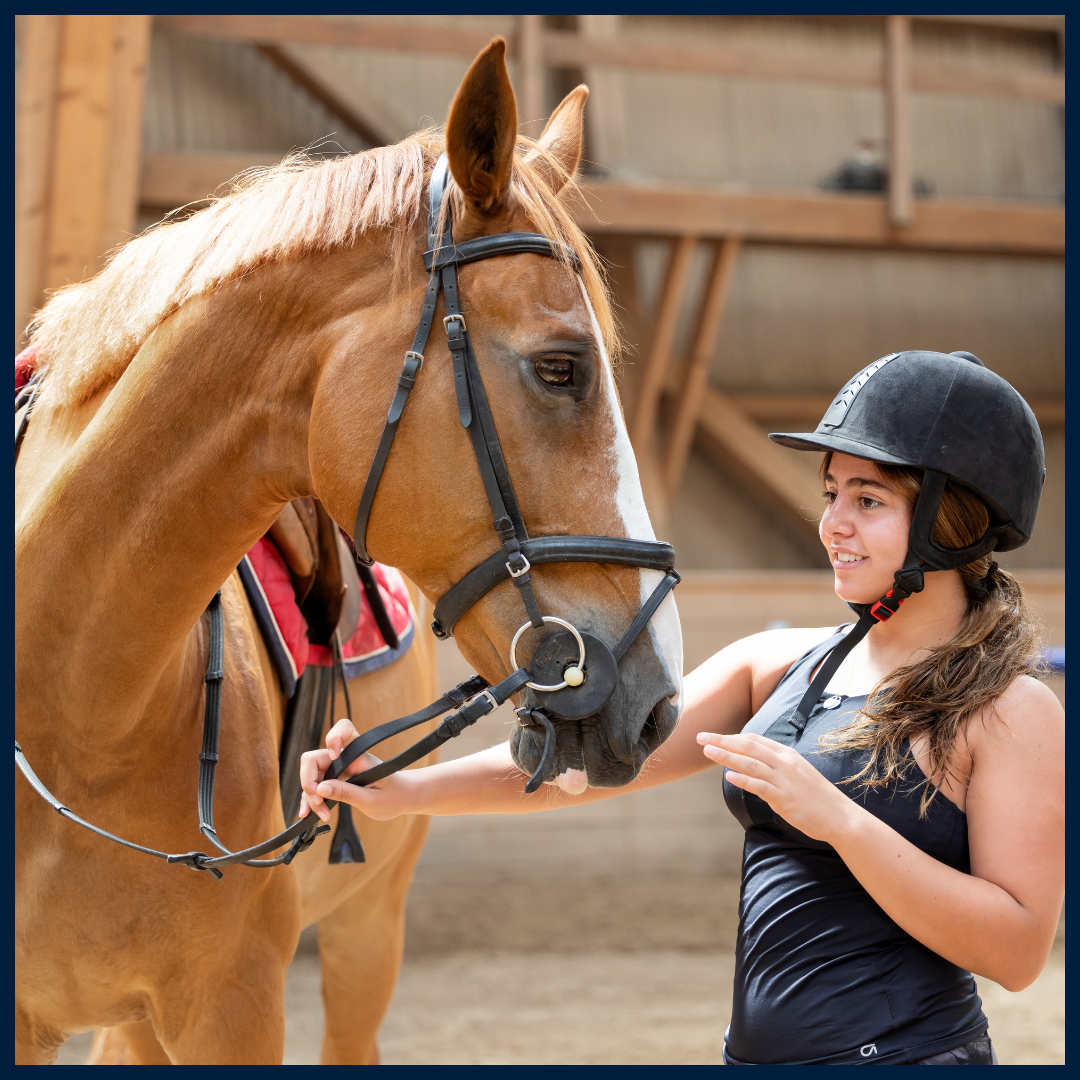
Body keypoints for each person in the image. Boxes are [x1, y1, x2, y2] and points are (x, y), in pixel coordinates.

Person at [300, 350, 1064, 1065]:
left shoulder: (1009, 710)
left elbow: (1019, 951)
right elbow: (596, 761)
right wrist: (399, 790)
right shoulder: (777, 665)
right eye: (833, 494)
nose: (834, 523)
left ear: (949, 522)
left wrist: (839, 820)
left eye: (868, 500)